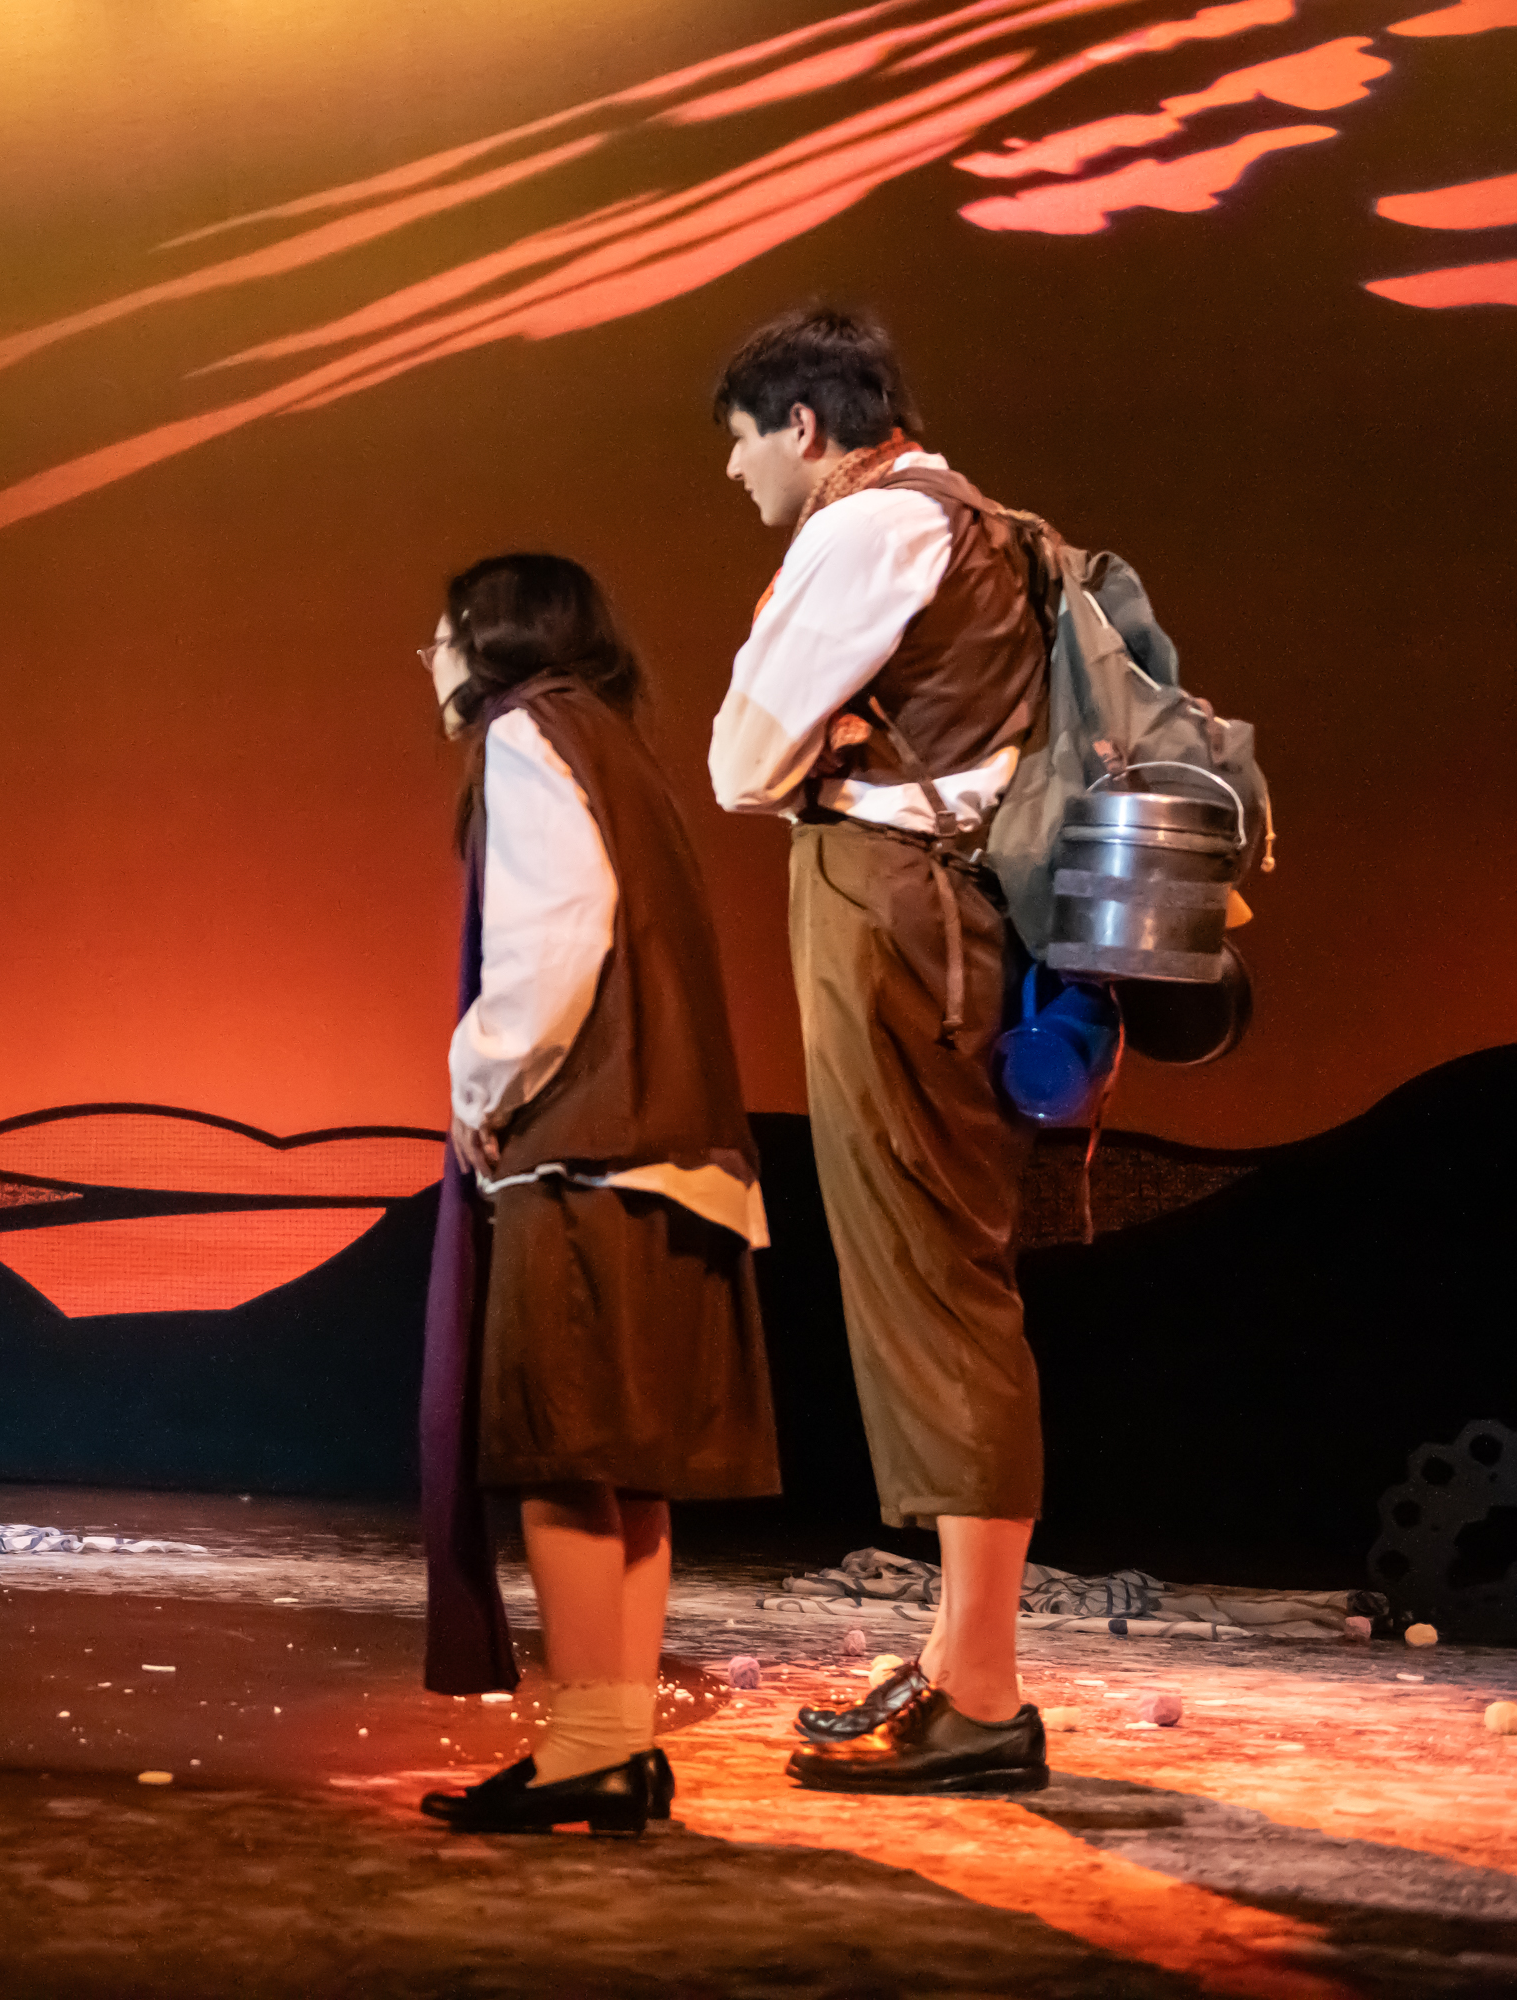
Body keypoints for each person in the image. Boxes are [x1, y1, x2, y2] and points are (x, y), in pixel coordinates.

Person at [706, 305, 1050, 1793]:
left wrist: (820, 746)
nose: (736, 473)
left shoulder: (870, 528)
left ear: (803, 426)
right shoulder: (987, 523)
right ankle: (960, 1656)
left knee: (932, 1275)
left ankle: (984, 1692)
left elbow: (738, 763)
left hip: (896, 906)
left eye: (741, 441)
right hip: (938, 908)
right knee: (933, 1267)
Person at [416, 554, 779, 1837]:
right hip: (680, 1158)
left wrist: (480, 1080)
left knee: (566, 1452)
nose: (430, 660)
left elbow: (555, 939)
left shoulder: (530, 734)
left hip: (592, 1156)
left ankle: (587, 1746)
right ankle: (613, 1745)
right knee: (625, 1465)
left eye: (441, 634)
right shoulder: (617, 745)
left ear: (493, 636)